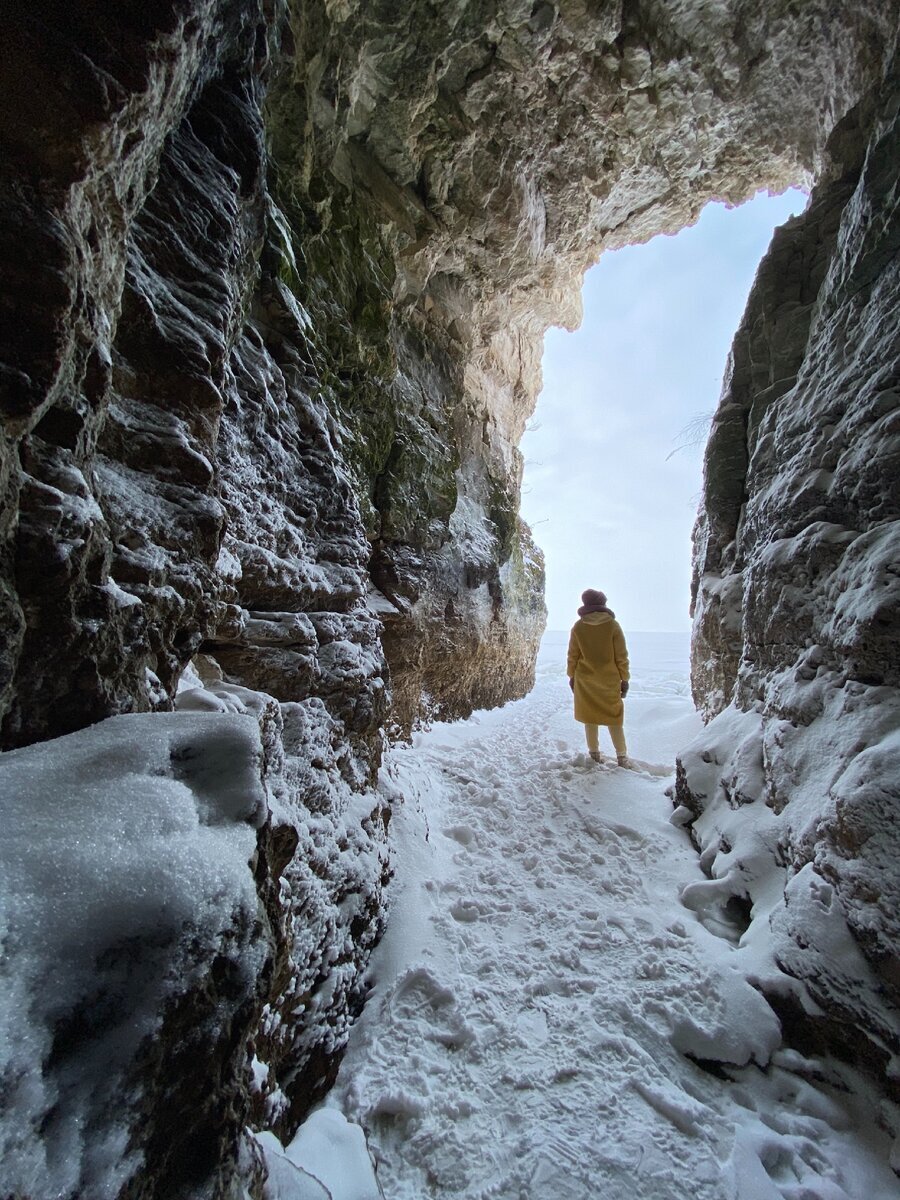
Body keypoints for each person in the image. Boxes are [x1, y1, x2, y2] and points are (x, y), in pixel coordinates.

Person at [567, 588, 631, 767]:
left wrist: (572, 676)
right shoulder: (612, 625)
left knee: (590, 717)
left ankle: (594, 754)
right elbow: (621, 656)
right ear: (602, 604)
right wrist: (624, 678)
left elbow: (573, 655)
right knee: (614, 717)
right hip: (609, 680)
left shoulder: (578, 626)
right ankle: (622, 757)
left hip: (585, 679)